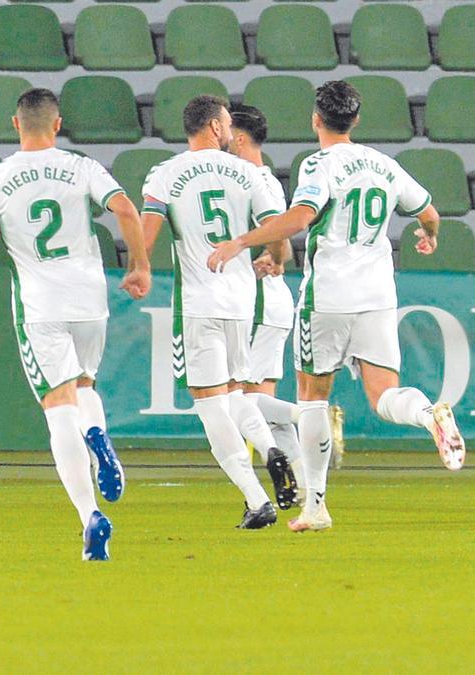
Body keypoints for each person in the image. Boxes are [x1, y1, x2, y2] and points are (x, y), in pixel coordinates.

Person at [206, 80, 466, 533]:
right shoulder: (385, 164)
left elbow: (303, 216)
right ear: (357, 120)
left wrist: (242, 241)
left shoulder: (318, 164)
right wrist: (429, 236)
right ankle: (429, 414)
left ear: (316, 119)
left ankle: (317, 506)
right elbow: (428, 213)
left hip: (328, 295)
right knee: (384, 394)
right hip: (378, 295)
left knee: (312, 399)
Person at [0, 88, 151, 560]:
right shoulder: (81, 167)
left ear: (15, 123)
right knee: (85, 386)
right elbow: (126, 209)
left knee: (57, 404)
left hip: (41, 303)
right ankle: (98, 437)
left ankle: (89, 516)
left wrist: (0, 233)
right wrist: (141, 266)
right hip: (90, 298)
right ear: (58, 124)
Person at [141, 95, 290, 529]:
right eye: (225, 123)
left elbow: (148, 231)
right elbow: (275, 230)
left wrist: (138, 266)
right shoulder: (249, 172)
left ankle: (255, 497)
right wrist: (276, 259)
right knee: (237, 394)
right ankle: (272, 449)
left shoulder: (166, 173)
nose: (228, 130)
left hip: (198, 301)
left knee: (209, 404)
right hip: (242, 304)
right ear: (213, 127)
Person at [226, 103, 303, 508]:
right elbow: (284, 242)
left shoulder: (248, 179)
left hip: (255, 299)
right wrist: (275, 254)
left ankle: (309, 416)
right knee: (263, 409)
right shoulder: (269, 179)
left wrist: (269, 255)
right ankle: (303, 490)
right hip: (274, 302)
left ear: (238, 138)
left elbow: (280, 243)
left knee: (236, 398)